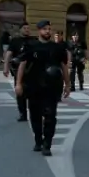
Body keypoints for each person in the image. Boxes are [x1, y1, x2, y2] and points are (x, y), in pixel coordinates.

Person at [15, 20, 70, 156]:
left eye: (49, 29)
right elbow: (22, 64)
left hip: (52, 88)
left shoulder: (57, 48)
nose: (48, 31)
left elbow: (64, 66)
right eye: (45, 29)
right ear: (39, 30)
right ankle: (38, 140)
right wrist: (18, 83)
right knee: (35, 117)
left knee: (50, 116)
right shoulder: (31, 46)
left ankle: (47, 144)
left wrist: (68, 84)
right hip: (33, 87)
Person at [4, 22, 32, 123]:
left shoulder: (33, 40)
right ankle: (22, 114)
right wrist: (6, 67)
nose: (27, 30)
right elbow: (8, 54)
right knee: (20, 94)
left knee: (34, 94)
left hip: (33, 71)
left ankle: (34, 113)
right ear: (20, 29)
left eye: (28, 28)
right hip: (19, 72)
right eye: (24, 28)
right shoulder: (15, 41)